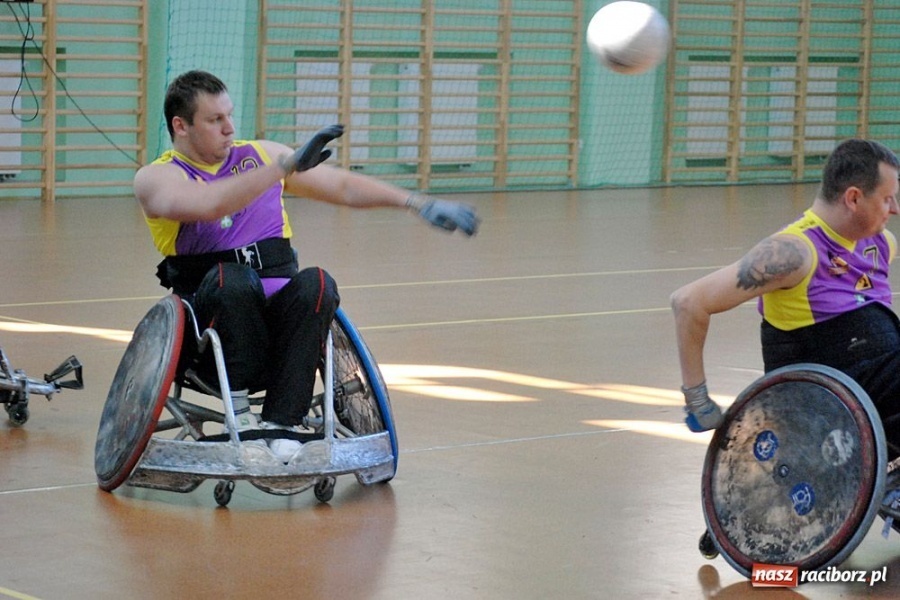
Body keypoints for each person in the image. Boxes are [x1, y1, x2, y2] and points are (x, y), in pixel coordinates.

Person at [134, 69, 479, 462]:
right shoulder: (156, 178)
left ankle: (281, 421)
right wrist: (284, 167)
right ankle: (241, 414)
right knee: (234, 280)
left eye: (230, 116)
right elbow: (211, 204)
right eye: (215, 120)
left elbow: (343, 186)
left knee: (317, 283)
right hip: (210, 345)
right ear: (181, 126)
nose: (230, 128)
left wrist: (417, 203)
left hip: (281, 338)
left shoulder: (260, 156)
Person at [670, 139, 900, 459]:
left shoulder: (881, 243)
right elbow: (688, 301)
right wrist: (697, 400)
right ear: (854, 198)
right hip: (827, 397)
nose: (895, 209)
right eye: (888, 199)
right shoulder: (793, 253)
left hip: (881, 384)